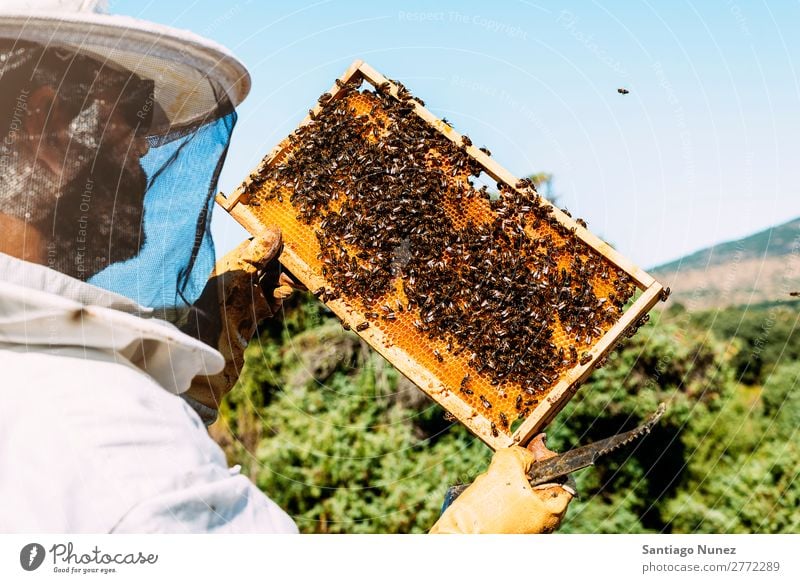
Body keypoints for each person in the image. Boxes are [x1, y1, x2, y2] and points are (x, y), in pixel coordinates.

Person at [0, 0, 574, 533]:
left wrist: (212, 334)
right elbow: (123, 469)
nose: (149, 144)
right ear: (46, 124)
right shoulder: (118, 443)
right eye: (134, 112)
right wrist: (477, 533)